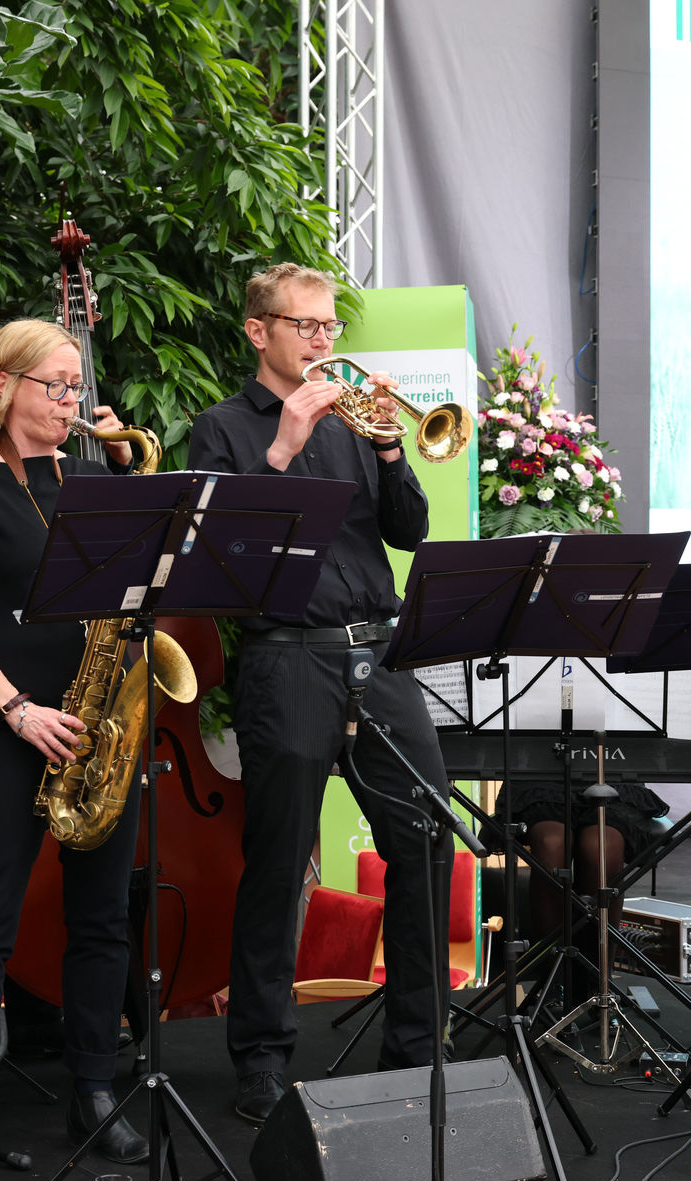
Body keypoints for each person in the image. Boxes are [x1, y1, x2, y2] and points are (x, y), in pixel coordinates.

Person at [186, 263, 452, 1123]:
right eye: (306, 326)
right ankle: (261, 1057)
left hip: (380, 654)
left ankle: (417, 1047)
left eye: (331, 327)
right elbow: (228, 562)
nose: (324, 342)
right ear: (259, 331)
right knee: (279, 861)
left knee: (424, 844)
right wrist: (282, 451)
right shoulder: (223, 430)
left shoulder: (351, 420)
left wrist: (387, 446)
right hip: (285, 658)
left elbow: (408, 533)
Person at [0, 319, 146, 1181]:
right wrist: (18, 711)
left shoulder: (91, 481)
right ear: (5, 386)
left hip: (94, 729)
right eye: (54, 385)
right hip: (5, 730)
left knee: (102, 920)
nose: (70, 402)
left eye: (75, 386)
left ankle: (92, 1090)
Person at [509, 780, 666, 1005]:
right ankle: (554, 979)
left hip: (612, 782)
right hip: (544, 781)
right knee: (552, 843)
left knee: (602, 847)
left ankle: (600, 981)